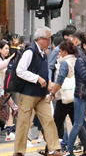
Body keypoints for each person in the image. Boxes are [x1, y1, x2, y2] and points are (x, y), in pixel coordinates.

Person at [13, 26, 66, 156]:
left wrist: (47, 85)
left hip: (41, 93)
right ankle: (19, 151)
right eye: (48, 39)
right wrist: (37, 78)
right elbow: (20, 71)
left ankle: (54, 148)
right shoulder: (30, 52)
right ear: (40, 39)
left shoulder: (43, 52)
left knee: (49, 120)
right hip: (28, 93)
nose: (50, 41)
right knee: (23, 123)